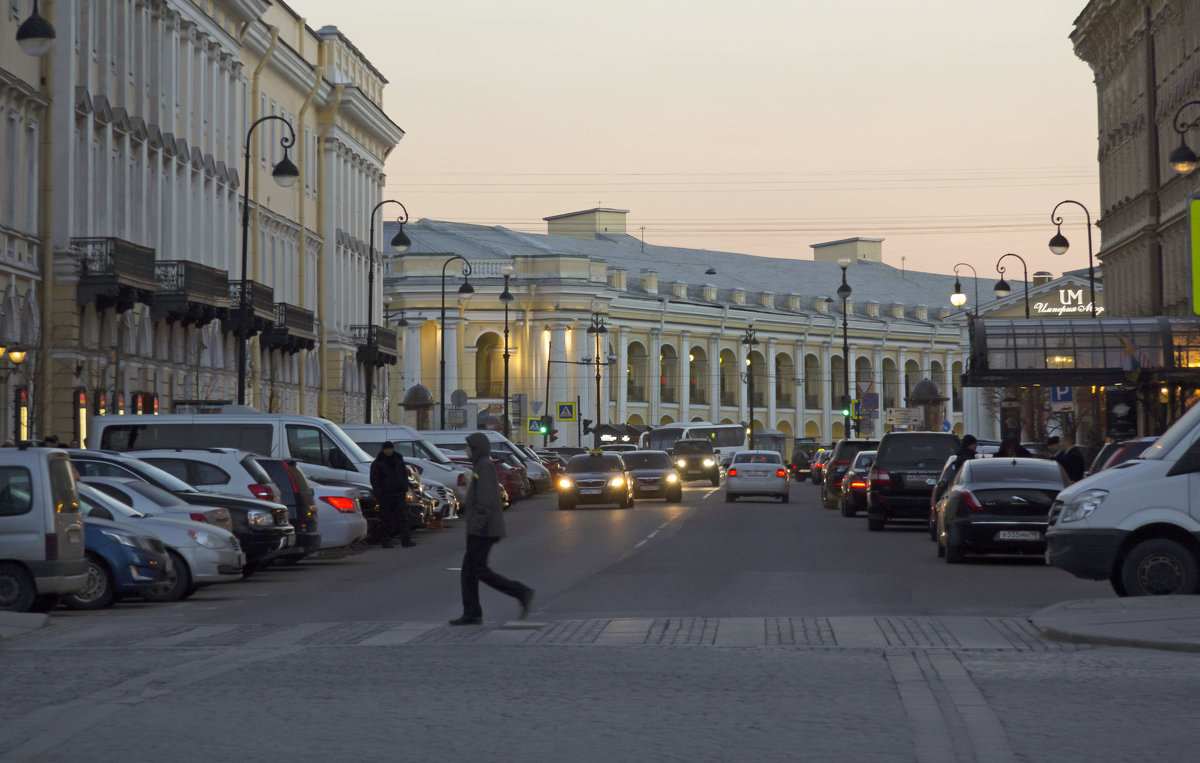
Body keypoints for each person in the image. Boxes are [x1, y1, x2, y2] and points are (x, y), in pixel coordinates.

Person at [450, 432, 534, 626]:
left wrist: (476, 527)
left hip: (483, 529)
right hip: (482, 528)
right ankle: (472, 613)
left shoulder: (484, 466)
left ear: (477, 448)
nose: (466, 450)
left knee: (477, 570)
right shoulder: (481, 466)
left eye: (468, 447)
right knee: (470, 571)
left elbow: (486, 501)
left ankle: (521, 592)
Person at [369, 441, 413, 549]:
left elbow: (404, 474)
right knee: (385, 518)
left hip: (399, 493)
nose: (388, 451)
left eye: (390, 448)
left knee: (403, 517)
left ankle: (406, 540)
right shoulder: (378, 462)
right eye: (386, 449)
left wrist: (404, 487)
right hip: (385, 494)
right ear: (383, 450)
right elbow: (375, 479)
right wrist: (379, 493)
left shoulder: (398, 460)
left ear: (393, 449)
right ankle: (386, 541)